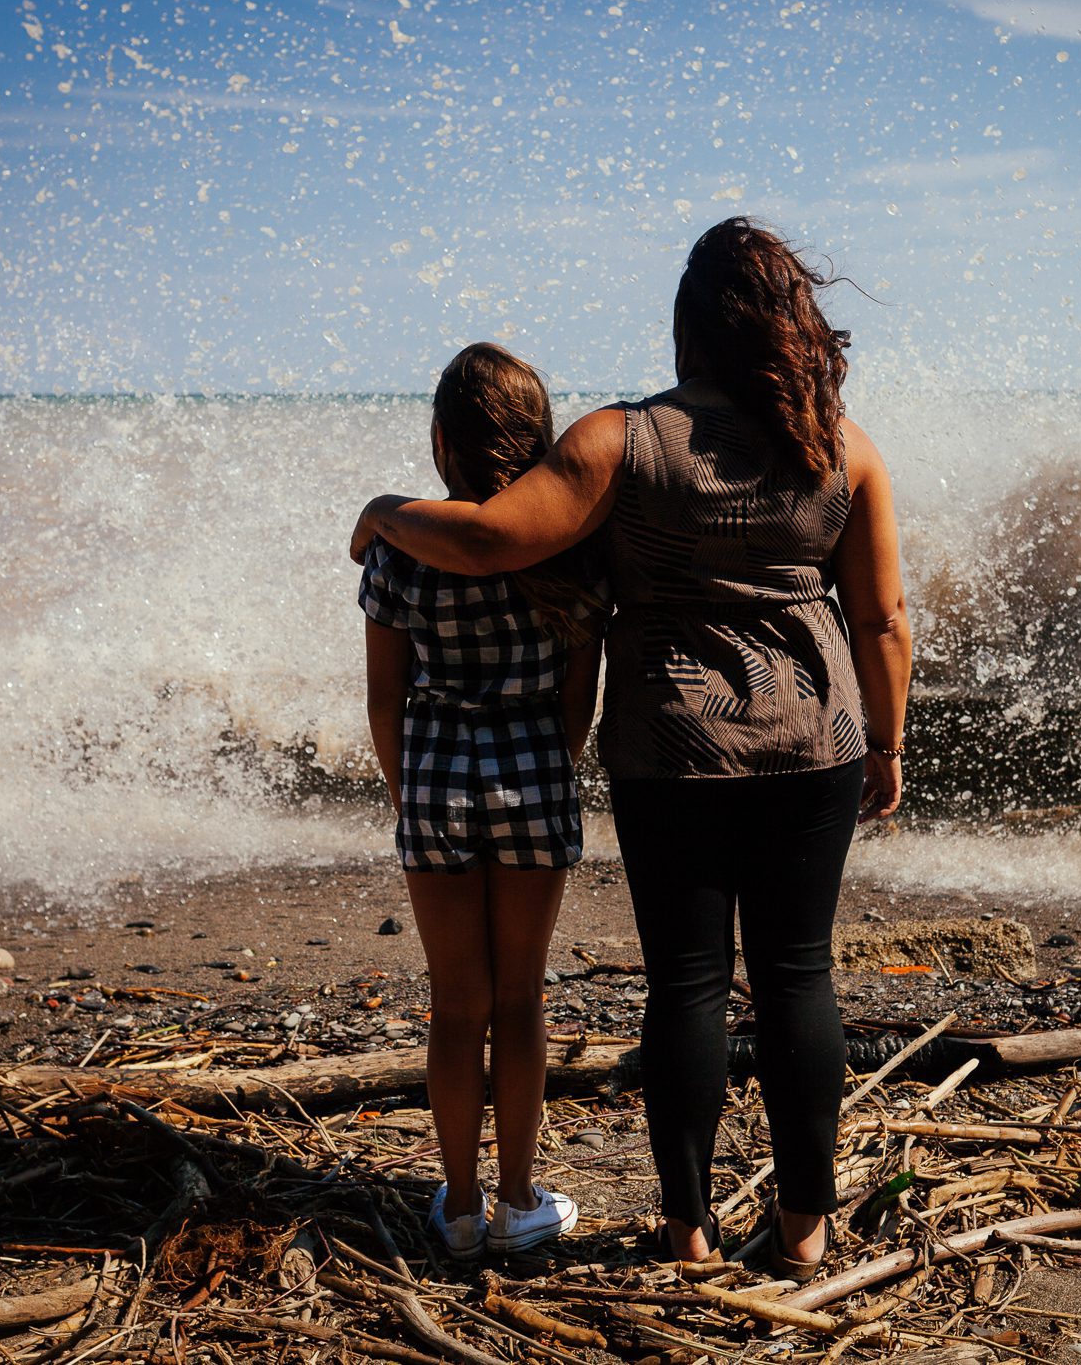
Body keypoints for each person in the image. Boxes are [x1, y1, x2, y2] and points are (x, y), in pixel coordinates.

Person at [353, 219, 910, 1279]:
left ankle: (688, 1231)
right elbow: (882, 621)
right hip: (816, 742)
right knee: (799, 977)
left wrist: (385, 510)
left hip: (673, 744)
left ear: (688, 324)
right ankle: (804, 1231)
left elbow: (486, 537)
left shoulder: (620, 438)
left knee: (689, 985)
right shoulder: (844, 445)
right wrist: (888, 743)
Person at [358, 342, 604, 1261]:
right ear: (536, 437)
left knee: (456, 1004)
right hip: (534, 771)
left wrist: (408, 787)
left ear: (439, 442)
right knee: (522, 1000)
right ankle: (519, 1198)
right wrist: (552, 764)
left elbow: (385, 700)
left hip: (434, 776)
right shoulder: (569, 545)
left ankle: (458, 1208)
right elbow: (582, 695)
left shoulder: (401, 553)